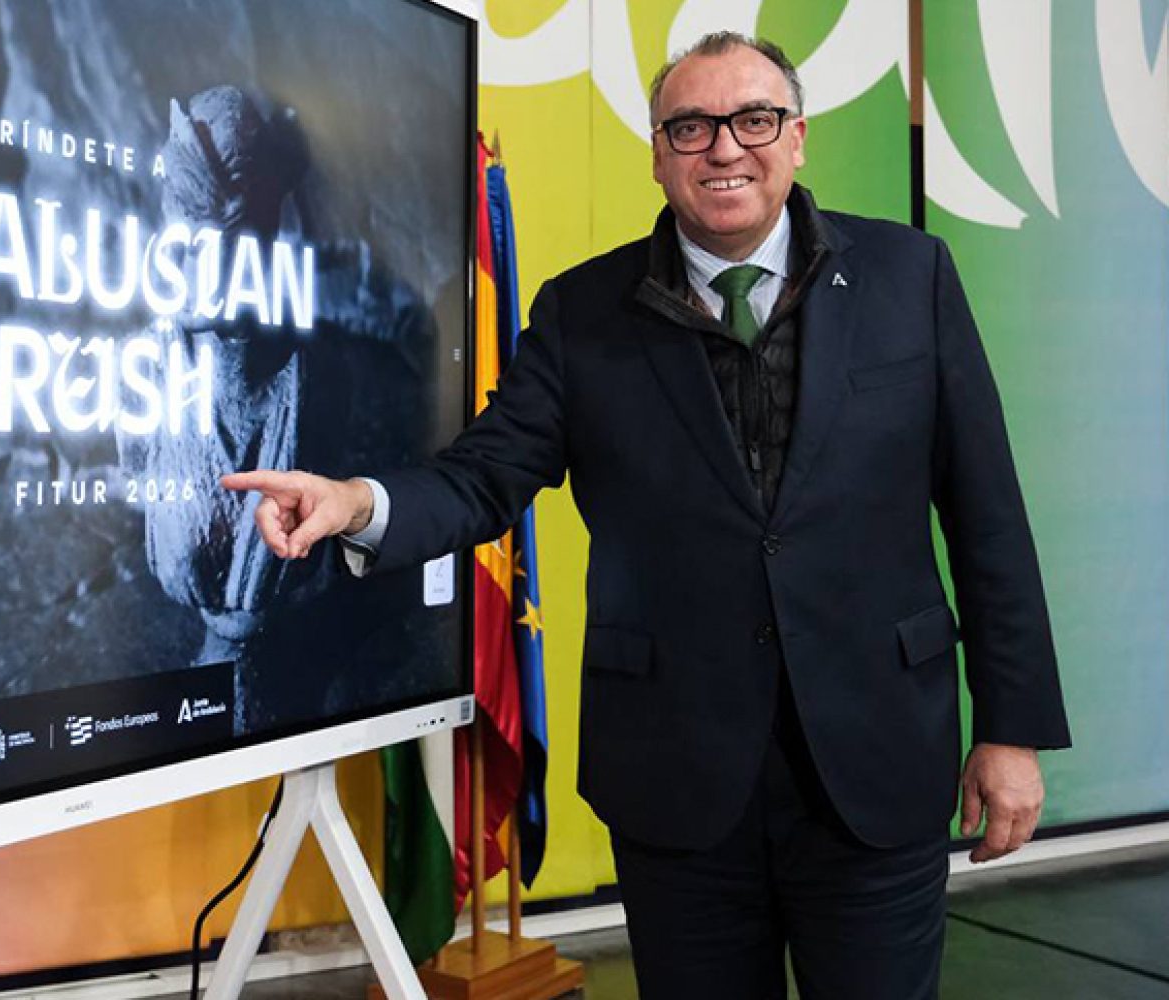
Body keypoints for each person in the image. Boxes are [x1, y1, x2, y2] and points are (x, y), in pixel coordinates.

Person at [222, 31, 1071, 1000]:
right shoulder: (582, 312)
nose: (724, 148)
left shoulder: (911, 276)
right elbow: (484, 476)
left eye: (752, 119)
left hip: (874, 769)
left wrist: (1012, 730)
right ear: (659, 151)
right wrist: (357, 503)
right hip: (678, 782)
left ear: (797, 138)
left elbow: (988, 515)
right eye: (691, 126)